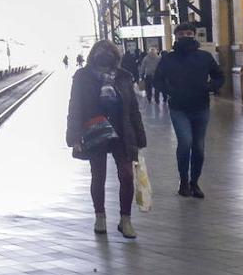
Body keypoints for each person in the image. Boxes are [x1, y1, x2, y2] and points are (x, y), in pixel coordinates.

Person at [66, 40, 145, 238]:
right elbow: (74, 107)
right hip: (95, 131)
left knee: (127, 176)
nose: (105, 53)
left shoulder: (124, 77)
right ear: (93, 54)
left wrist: (139, 136)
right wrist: (74, 135)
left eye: (109, 50)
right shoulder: (82, 77)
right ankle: (100, 216)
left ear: (116, 55)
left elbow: (133, 109)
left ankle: (125, 220)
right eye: (100, 50)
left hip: (122, 131)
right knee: (98, 175)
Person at [154, 23, 224, 198]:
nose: (186, 36)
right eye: (182, 33)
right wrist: (171, 91)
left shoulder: (205, 57)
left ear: (194, 35)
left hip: (200, 107)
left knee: (199, 147)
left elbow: (219, 75)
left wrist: (210, 86)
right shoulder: (168, 59)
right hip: (178, 107)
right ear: (176, 36)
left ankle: (195, 182)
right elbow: (157, 80)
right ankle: (183, 180)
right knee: (185, 142)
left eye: (189, 33)